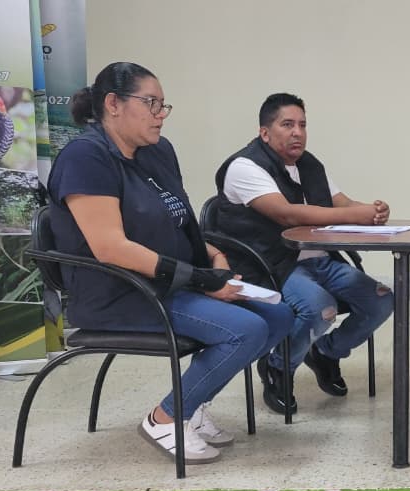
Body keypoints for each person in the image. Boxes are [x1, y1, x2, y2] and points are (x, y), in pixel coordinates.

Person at [47, 62, 293, 464]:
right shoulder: (85, 158)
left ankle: (193, 405)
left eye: (163, 105)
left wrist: (211, 256)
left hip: (170, 282)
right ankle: (166, 418)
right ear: (113, 104)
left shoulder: (158, 151)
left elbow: (178, 220)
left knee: (278, 315)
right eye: (151, 103)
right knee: (245, 329)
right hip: (120, 291)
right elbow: (110, 248)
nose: (161, 114)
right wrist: (201, 280)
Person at [214, 93, 394, 414]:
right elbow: (287, 215)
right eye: (287, 125)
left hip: (320, 260)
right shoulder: (244, 167)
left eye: (302, 125)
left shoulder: (309, 164)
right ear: (265, 132)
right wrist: (356, 214)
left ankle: (325, 353)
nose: (297, 132)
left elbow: (343, 204)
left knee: (381, 299)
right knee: (320, 308)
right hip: (273, 265)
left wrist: (374, 210)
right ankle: (278, 366)